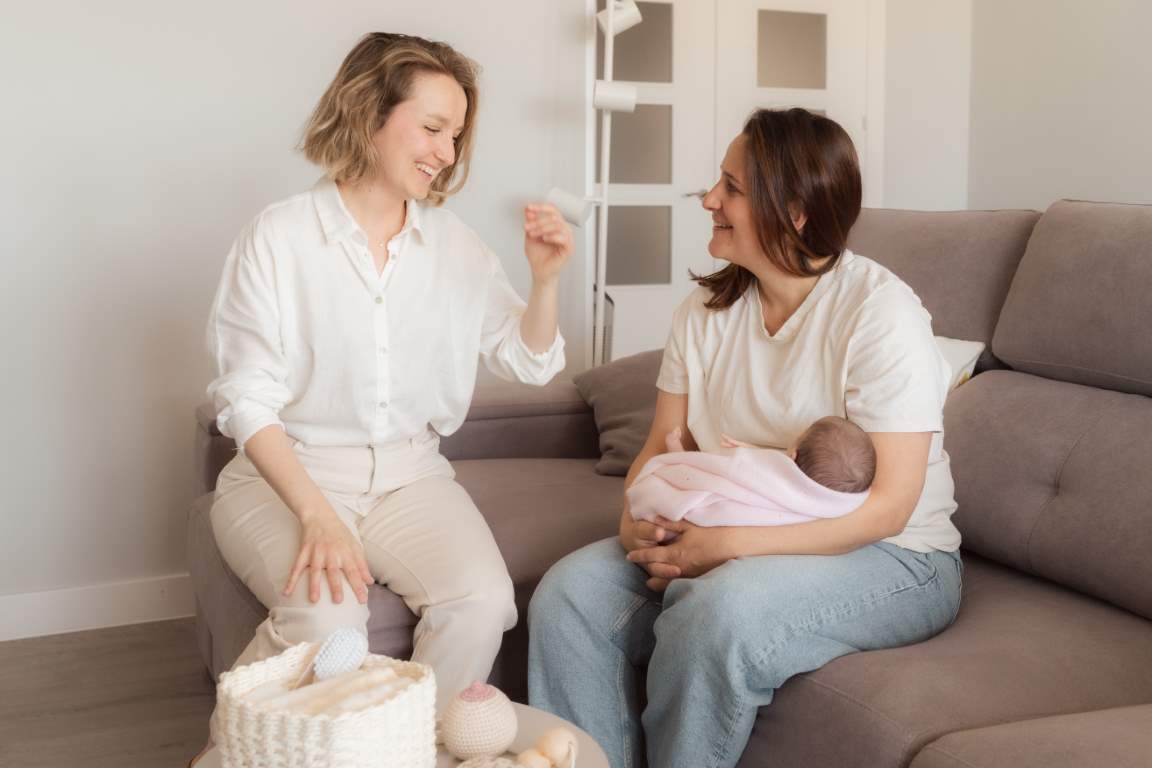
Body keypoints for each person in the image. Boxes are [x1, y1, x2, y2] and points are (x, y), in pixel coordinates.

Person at [527, 108, 962, 768]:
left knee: (719, 613)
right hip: (738, 534)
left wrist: (728, 547)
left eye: (730, 187)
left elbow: (889, 508)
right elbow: (660, 446)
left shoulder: (880, 314)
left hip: (896, 556)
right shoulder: (704, 313)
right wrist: (632, 526)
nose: (709, 200)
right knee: (567, 597)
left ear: (793, 211)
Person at [204, 30, 573, 730]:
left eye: (457, 135)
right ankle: (233, 745)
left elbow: (528, 360)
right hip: (289, 476)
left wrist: (546, 281)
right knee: (329, 617)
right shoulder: (279, 238)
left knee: (483, 599)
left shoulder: (457, 247)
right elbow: (246, 399)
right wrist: (318, 517)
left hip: (411, 477)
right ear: (370, 113)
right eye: (432, 127)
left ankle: (407, 746)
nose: (446, 152)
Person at [627, 415, 876, 532]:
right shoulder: (830, 505)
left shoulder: (772, 471)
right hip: (741, 533)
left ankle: (676, 456)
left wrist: (747, 452)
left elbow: (737, 470)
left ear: (793, 456)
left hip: (717, 516)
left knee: (704, 477)